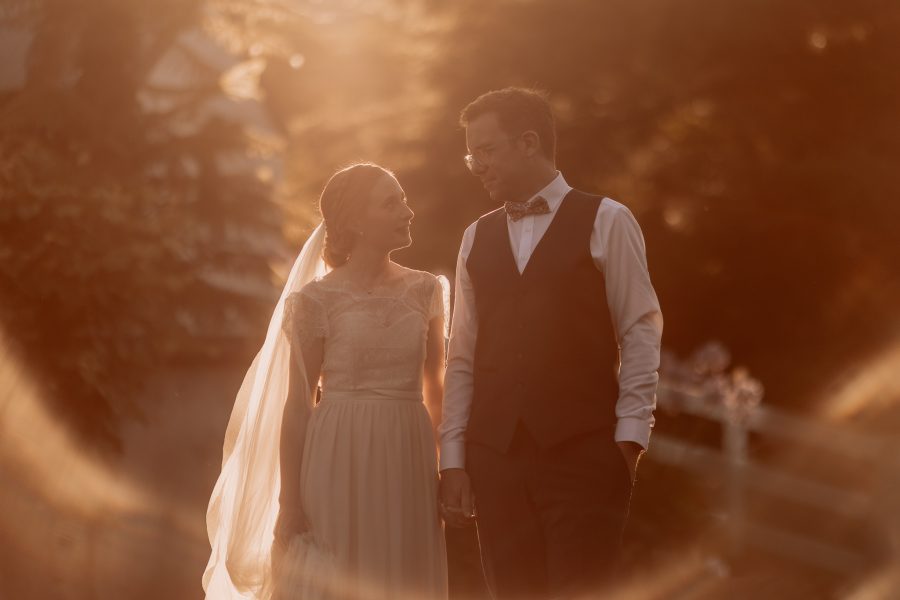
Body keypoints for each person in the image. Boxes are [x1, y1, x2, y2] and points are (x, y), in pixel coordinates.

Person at [439, 88, 663, 599]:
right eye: (471, 153)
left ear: (529, 142)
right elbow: (463, 354)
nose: (476, 165)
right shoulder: (475, 237)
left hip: (585, 453)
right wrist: (453, 457)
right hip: (495, 459)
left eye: (486, 149)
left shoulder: (608, 219)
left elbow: (640, 329)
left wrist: (629, 437)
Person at [204, 163, 449, 600]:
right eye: (391, 203)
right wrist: (289, 502)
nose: (407, 211)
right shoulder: (315, 300)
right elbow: (297, 405)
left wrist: (447, 469)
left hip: (408, 458)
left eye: (404, 200)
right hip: (337, 454)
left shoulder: (426, 291)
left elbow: (437, 389)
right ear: (354, 221)